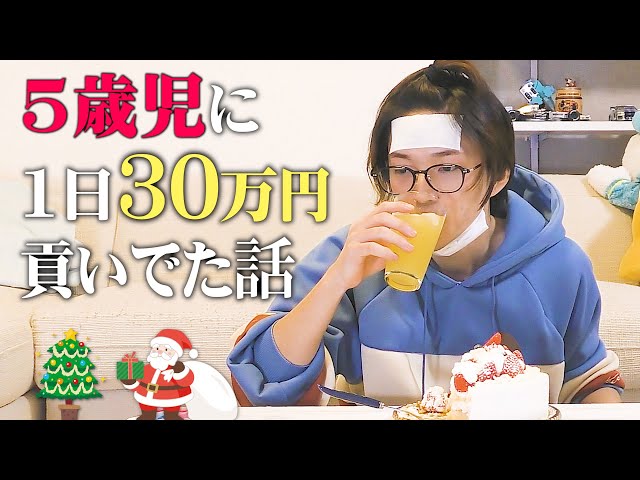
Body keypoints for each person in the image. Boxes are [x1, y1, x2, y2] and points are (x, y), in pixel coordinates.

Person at [227, 60, 625, 408]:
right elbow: (262, 386)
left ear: (499, 175)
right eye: (402, 170)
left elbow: (589, 384)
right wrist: (336, 281)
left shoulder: (561, 265)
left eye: (447, 168)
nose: (421, 193)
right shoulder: (357, 254)